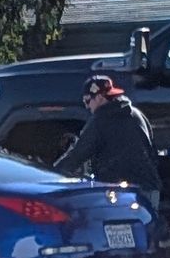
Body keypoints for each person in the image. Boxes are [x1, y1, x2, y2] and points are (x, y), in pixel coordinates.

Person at [54, 71, 161, 200]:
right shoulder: (137, 114)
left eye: (87, 100)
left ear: (99, 98)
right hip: (150, 189)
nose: (87, 106)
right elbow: (152, 152)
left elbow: (77, 155)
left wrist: (51, 174)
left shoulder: (100, 120)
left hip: (122, 194)